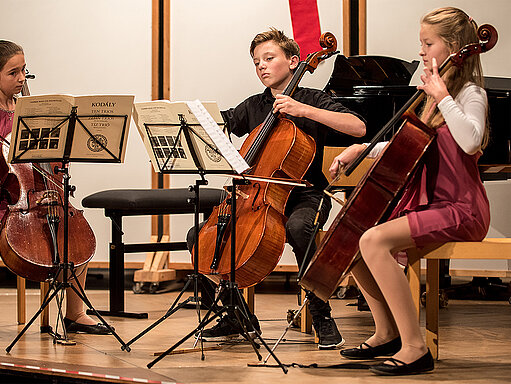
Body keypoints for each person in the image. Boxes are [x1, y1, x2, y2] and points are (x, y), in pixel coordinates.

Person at [330, 7, 490, 375]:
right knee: (355, 239)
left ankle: (415, 348)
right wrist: (361, 149)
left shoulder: (469, 93)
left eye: (427, 42)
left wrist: (443, 96)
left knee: (373, 241)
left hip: (461, 208)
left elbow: (470, 141)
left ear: (453, 47)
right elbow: (407, 145)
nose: (420, 50)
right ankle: (386, 332)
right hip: (433, 204)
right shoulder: (433, 97)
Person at [187, 28, 366, 349]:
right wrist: (191, 120)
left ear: (295, 61)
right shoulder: (255, 106)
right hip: (255, 197)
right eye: (256, 62)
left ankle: (320, 310)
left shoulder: (313, 99)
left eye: (269, 58)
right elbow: (223, 124)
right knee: (200, 237)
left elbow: (359, 126)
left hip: (307, 193)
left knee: (300, 227)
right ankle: (235, 313)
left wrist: (303, 111)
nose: (262, 67)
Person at [0, 40, 110, 338]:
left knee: (73, 234)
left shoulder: (31, 108)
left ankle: (76, 313)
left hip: (30, 194)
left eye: (24, 70)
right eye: (14, 73)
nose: (22, 78)